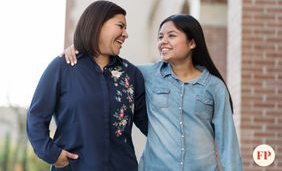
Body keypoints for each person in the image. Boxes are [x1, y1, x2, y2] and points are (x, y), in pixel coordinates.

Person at [63, 14, 243, 170]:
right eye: (160, 37)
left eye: (171, 36)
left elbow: (227, 142)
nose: (163, 42)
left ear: (192, 42)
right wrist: (80, 49)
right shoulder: (143, 74)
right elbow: (106, 63)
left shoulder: (214, 86)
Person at [26, 0, 148, 171]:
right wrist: (52, 154)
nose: (126, 34)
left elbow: (150, 125)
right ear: (98, 24)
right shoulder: (63, 67)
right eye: (121, 26)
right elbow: (36, 117)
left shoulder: (131, 74)